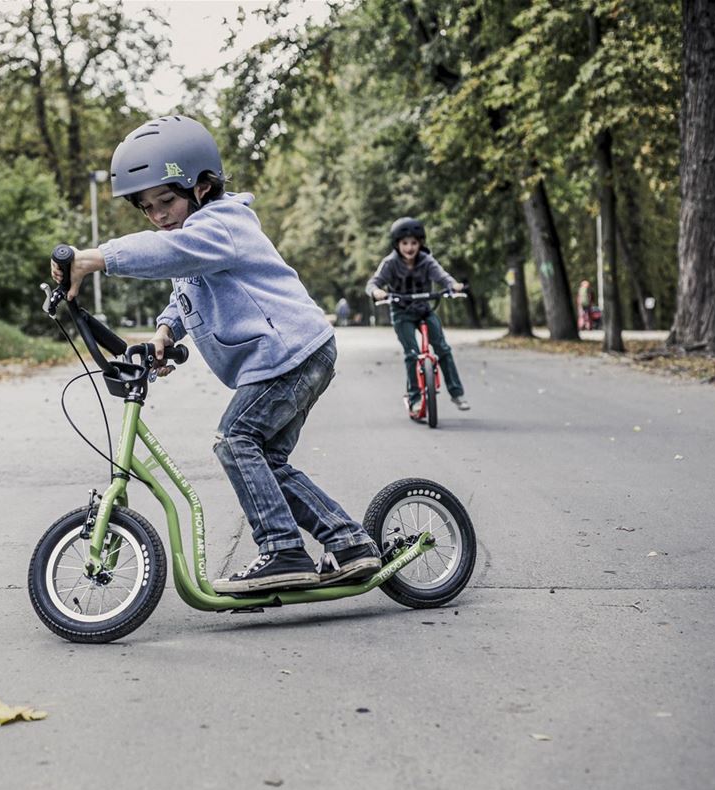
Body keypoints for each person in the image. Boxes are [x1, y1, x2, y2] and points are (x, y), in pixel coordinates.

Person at [50, 115, 380, 594]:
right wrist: (165, 329)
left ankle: (283, 550)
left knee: (236, 438)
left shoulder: (223, 224)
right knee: (266, 459)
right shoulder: (197, 240)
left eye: (166, 200)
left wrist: (96, 257)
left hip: (290, 353)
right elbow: (186, 285)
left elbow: (175, 253)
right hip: (291, 355)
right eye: (147, 208)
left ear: (203, 185)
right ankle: (351, 543)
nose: (158, 215)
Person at [366, 217, 470, 419]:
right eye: (405, 243)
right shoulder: (390, 263)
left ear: (420, 243)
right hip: (402, 312)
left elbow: (442, 277)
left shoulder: (426, 260)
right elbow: (372, 283)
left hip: (425, 310)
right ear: (397, 244)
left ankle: (457, 393)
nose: (409, 247)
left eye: (414, 243)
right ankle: (415, 399)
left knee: (442, 348)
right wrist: (377, 291)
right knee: (412, 354)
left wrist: (453, 285)